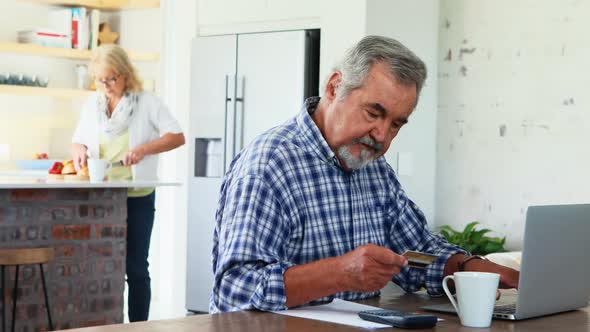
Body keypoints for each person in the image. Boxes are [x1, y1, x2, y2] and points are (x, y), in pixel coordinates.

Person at [210, 36, 519, 313]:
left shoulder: (373, 168)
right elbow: (236, 289)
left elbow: (415, 254)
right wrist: (339, 273)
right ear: (334, 88)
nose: (382, 136)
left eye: (397, 123)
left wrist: (469, 267)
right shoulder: (270, 165)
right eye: (374, 113)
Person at [71, 44, 185, 321]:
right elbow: (79, 140)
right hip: (102, 195)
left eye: (112, 78)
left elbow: (177, 136)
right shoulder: (93, 105)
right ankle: (106, 323)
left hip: (137, 194)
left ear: (125, 74)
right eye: (101, 79)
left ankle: (138, 326)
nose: (106, 85)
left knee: (135, 267)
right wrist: (79, 150)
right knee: (102, 265)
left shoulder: (147, 102)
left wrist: (144, 149)